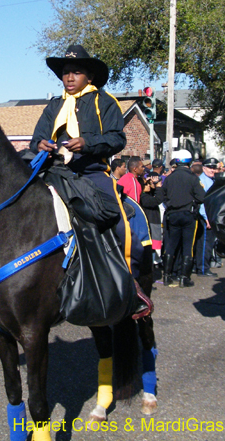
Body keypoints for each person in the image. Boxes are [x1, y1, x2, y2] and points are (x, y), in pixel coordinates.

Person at [30, 44, 151, 317]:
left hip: (92, 172)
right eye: (65, 73)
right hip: (55, 172)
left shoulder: (104, 101)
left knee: (119, 222)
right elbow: (36, 137)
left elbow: (117, 138)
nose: (69, 78)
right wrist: (40, 145)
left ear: (89, 76)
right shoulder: (53, 106)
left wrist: (87, 142)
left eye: (76, 72)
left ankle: (130, 283)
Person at [158, 149, 206, 288]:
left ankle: (167, 276)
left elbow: (163, 195)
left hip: (172, 214)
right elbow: (201, 197)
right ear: (189, 162)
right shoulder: (193, 178)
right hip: (188, 215)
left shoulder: (170, 178)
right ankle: (184, 278)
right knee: (187, 246)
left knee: (171, 245)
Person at [194, 158, 217, 277]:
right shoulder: (203, 181)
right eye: (210, 168)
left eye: (214, 168)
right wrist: (206, 217)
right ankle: (203, 268)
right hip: (205, 216)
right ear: (203, 168)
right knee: (204, 243)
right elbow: (202, 201)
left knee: (205, 242)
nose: (212, 170)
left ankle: (199, 266)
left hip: (210, 214)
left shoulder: (210, 180)